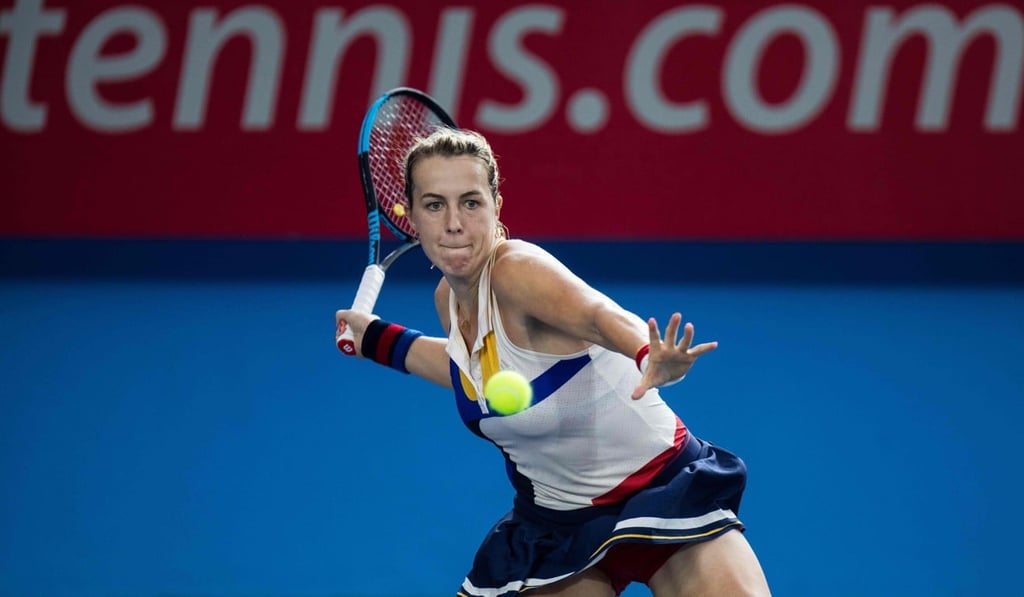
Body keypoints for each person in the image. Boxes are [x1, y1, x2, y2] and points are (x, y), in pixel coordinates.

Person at [335, 128, 771, 597]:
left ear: (496, 206)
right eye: (435, 205)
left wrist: (646, 352)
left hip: (664, 491)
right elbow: (473, 376)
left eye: (471, 202)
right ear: (410, 215)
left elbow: (598, 315)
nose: (454, 223)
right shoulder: (450, 300)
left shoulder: (518, 270)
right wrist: (377, 339)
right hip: (556, 527)